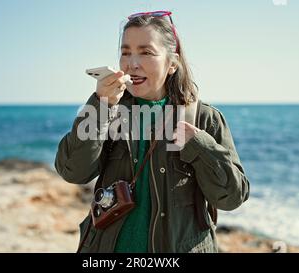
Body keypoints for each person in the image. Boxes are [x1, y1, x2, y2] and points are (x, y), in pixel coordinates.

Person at [55, 10, 250, 253]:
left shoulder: (204, 118)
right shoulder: (107, 111)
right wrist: (100, 106)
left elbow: (232, 197)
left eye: (146, 52)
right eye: (125, 52)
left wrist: (199, 145)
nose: (132, 63)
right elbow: (73, 171)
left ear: (172, 64)